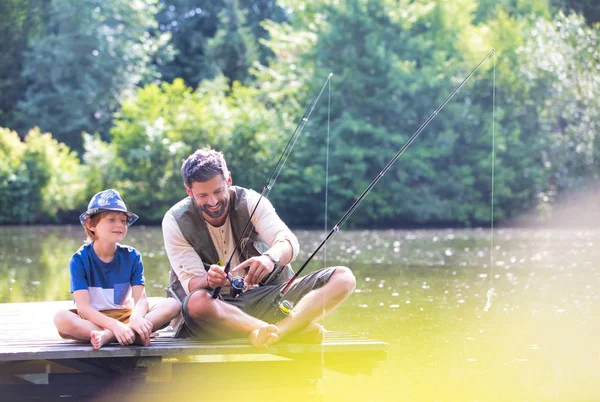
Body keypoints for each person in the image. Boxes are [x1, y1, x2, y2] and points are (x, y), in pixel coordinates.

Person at [162, 148, 356, 348]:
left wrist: (270, 258)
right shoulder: (174, 219)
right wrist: (209, 279)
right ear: (189, 191)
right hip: (216, 308)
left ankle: (277, 331)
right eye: (202, 195)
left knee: (344, 277)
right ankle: (283, 329)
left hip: (266, 298)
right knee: (197, 302)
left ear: (228, 181)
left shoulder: (252, 201)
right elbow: (191, 284)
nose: (212, 202)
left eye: (218, 191)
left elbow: (288, 242)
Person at [53, 189, 181, 349]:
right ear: (91, 225)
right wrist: (115, 326)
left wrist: (136, 318)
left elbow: (141, 299)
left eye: (123, 220)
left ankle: (109, 336)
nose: (119, 225)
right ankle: (132, 335)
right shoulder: (79, 259)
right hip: (93, 320)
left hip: (126, 317)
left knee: (173, 305)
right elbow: (83, 308)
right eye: (111, 219)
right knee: (61, 318)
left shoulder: (132, 256)